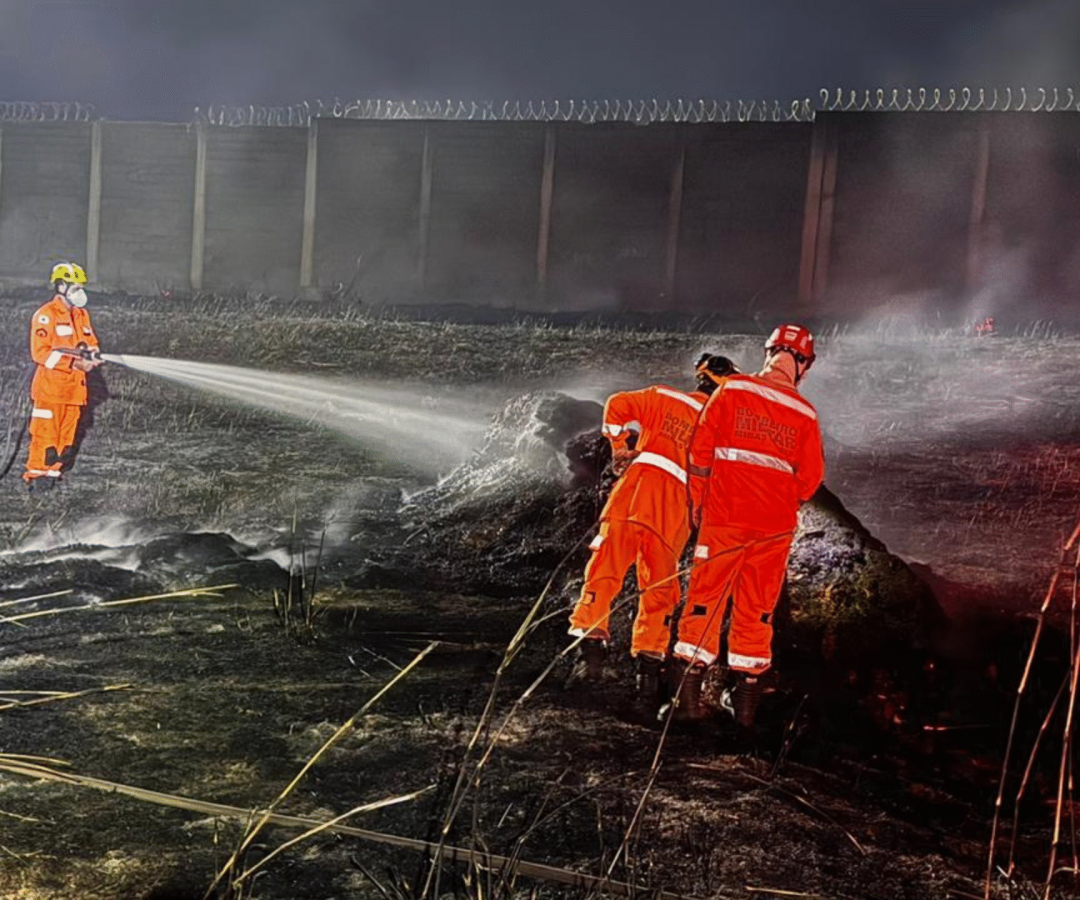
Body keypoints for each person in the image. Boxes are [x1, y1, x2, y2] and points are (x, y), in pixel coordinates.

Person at [670, 324, 824, 740]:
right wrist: (780, 502)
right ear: (803, 365)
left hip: (724, 516)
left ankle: (687, 707)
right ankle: (745, 717)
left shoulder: (734, 390)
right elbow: (810, 479)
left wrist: (698, 504)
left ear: (770, 352)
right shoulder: (805, 413)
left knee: (705, 599)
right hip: (773, 529)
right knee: (757, 609)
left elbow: (700, 453)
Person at [567, 353, 739, 718]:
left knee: (603, 573)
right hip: (670, 518)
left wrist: (620, 450)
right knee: (659, 593)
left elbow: (616, 405)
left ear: (700, 379)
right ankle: (646, 681)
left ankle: (588, 659)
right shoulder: (717, 427)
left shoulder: (663, 397)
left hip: (630, 498)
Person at [23, 262, 102, 492]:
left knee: (65, 439)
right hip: (50, 390)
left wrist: (93, 357)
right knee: (45, 435)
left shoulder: (81, 315)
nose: (80, 293)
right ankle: (37, 478)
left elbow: (90, 342)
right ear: (61, 287)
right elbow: (41, 353)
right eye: (76, 288)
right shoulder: (46, 315)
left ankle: (53, 475)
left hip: (74, 391)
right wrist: (74, 362)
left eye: (81, 288)